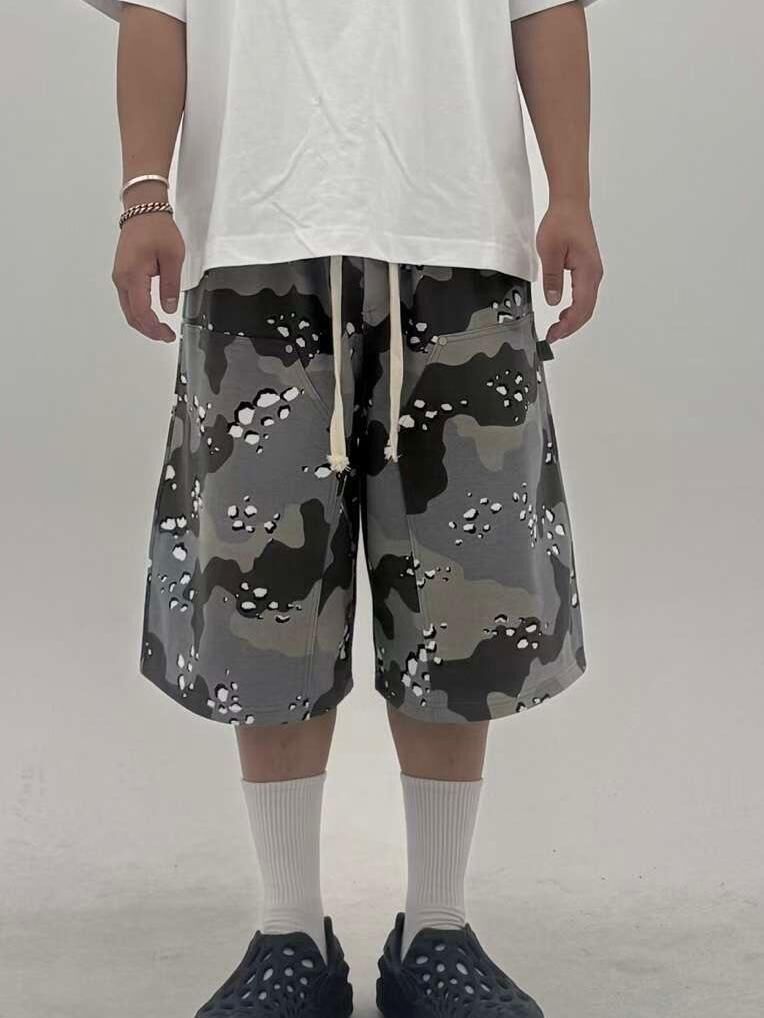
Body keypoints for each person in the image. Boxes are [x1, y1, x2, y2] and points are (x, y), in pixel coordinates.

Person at [82, 2, 603, 1015]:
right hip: (255, 237)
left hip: (458, 233)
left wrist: (571, 193)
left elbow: (546, 9)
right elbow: (156, 11)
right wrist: (143, 193)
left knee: (463, 603)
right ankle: (289, 933)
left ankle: (436, 929)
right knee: (262, 606)